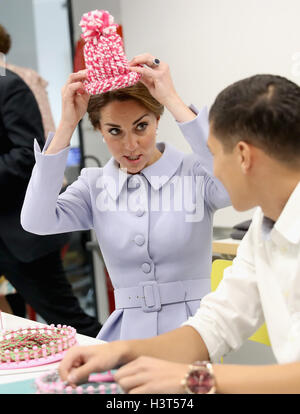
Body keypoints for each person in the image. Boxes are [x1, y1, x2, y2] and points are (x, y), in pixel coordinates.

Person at [58, 72, 300, 394]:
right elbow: (216, 322)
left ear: (242, 156)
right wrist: (122, 350)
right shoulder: (261, 230)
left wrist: (197, 380)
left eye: (213, 152)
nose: (210, 168)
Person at [20, 12, 230, 343]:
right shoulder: (94, 185)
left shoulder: (195, 173)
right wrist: (65, 126)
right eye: (115, 131)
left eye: (141, 126)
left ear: (157, 119)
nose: (130, 145)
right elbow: (35, 220)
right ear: (99, 130)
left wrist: (171, 97)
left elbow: (230, 178)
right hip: (125, 338)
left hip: (197, 334)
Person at [0, 65, 101, 337]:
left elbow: (26, 155)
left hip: (20, 234)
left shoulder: (10, 86)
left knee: (69, 322)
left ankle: (117, 366)